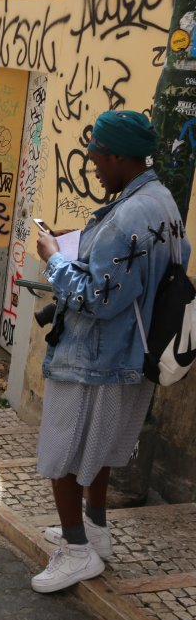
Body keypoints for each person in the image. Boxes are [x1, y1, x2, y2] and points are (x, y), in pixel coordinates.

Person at [33, 110, 190, 593]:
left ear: (120, 156)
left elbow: (99, 298)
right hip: (129, 356)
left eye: (97, 155)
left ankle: (77, 553)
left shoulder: (126, 218)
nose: (93, 165)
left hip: (94, 359)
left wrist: (55, 259)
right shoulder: (162, 201)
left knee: (61, 456)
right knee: (95, 453)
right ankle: (95, 533)